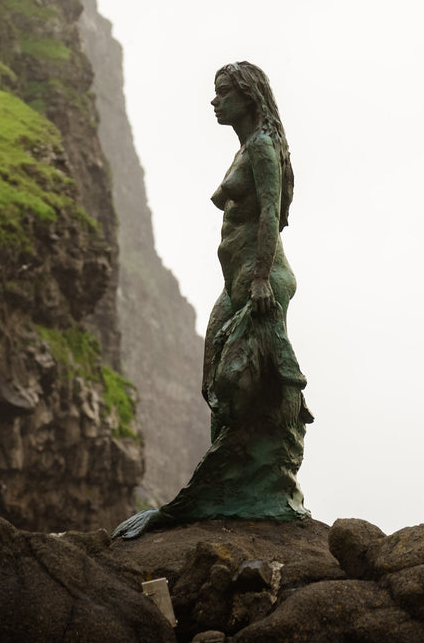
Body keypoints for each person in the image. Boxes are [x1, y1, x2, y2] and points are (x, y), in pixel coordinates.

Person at [113, 61, 313, 538]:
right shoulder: (246, 148)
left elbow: (269, 213)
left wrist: (262, 277)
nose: (214, 101)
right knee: (215, 384)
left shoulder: (262, 148)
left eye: (223, 92)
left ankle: (266, 483)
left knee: (239, 379)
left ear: (249, 97)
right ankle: (233, 490)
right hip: (235, 281)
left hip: (261, 278)